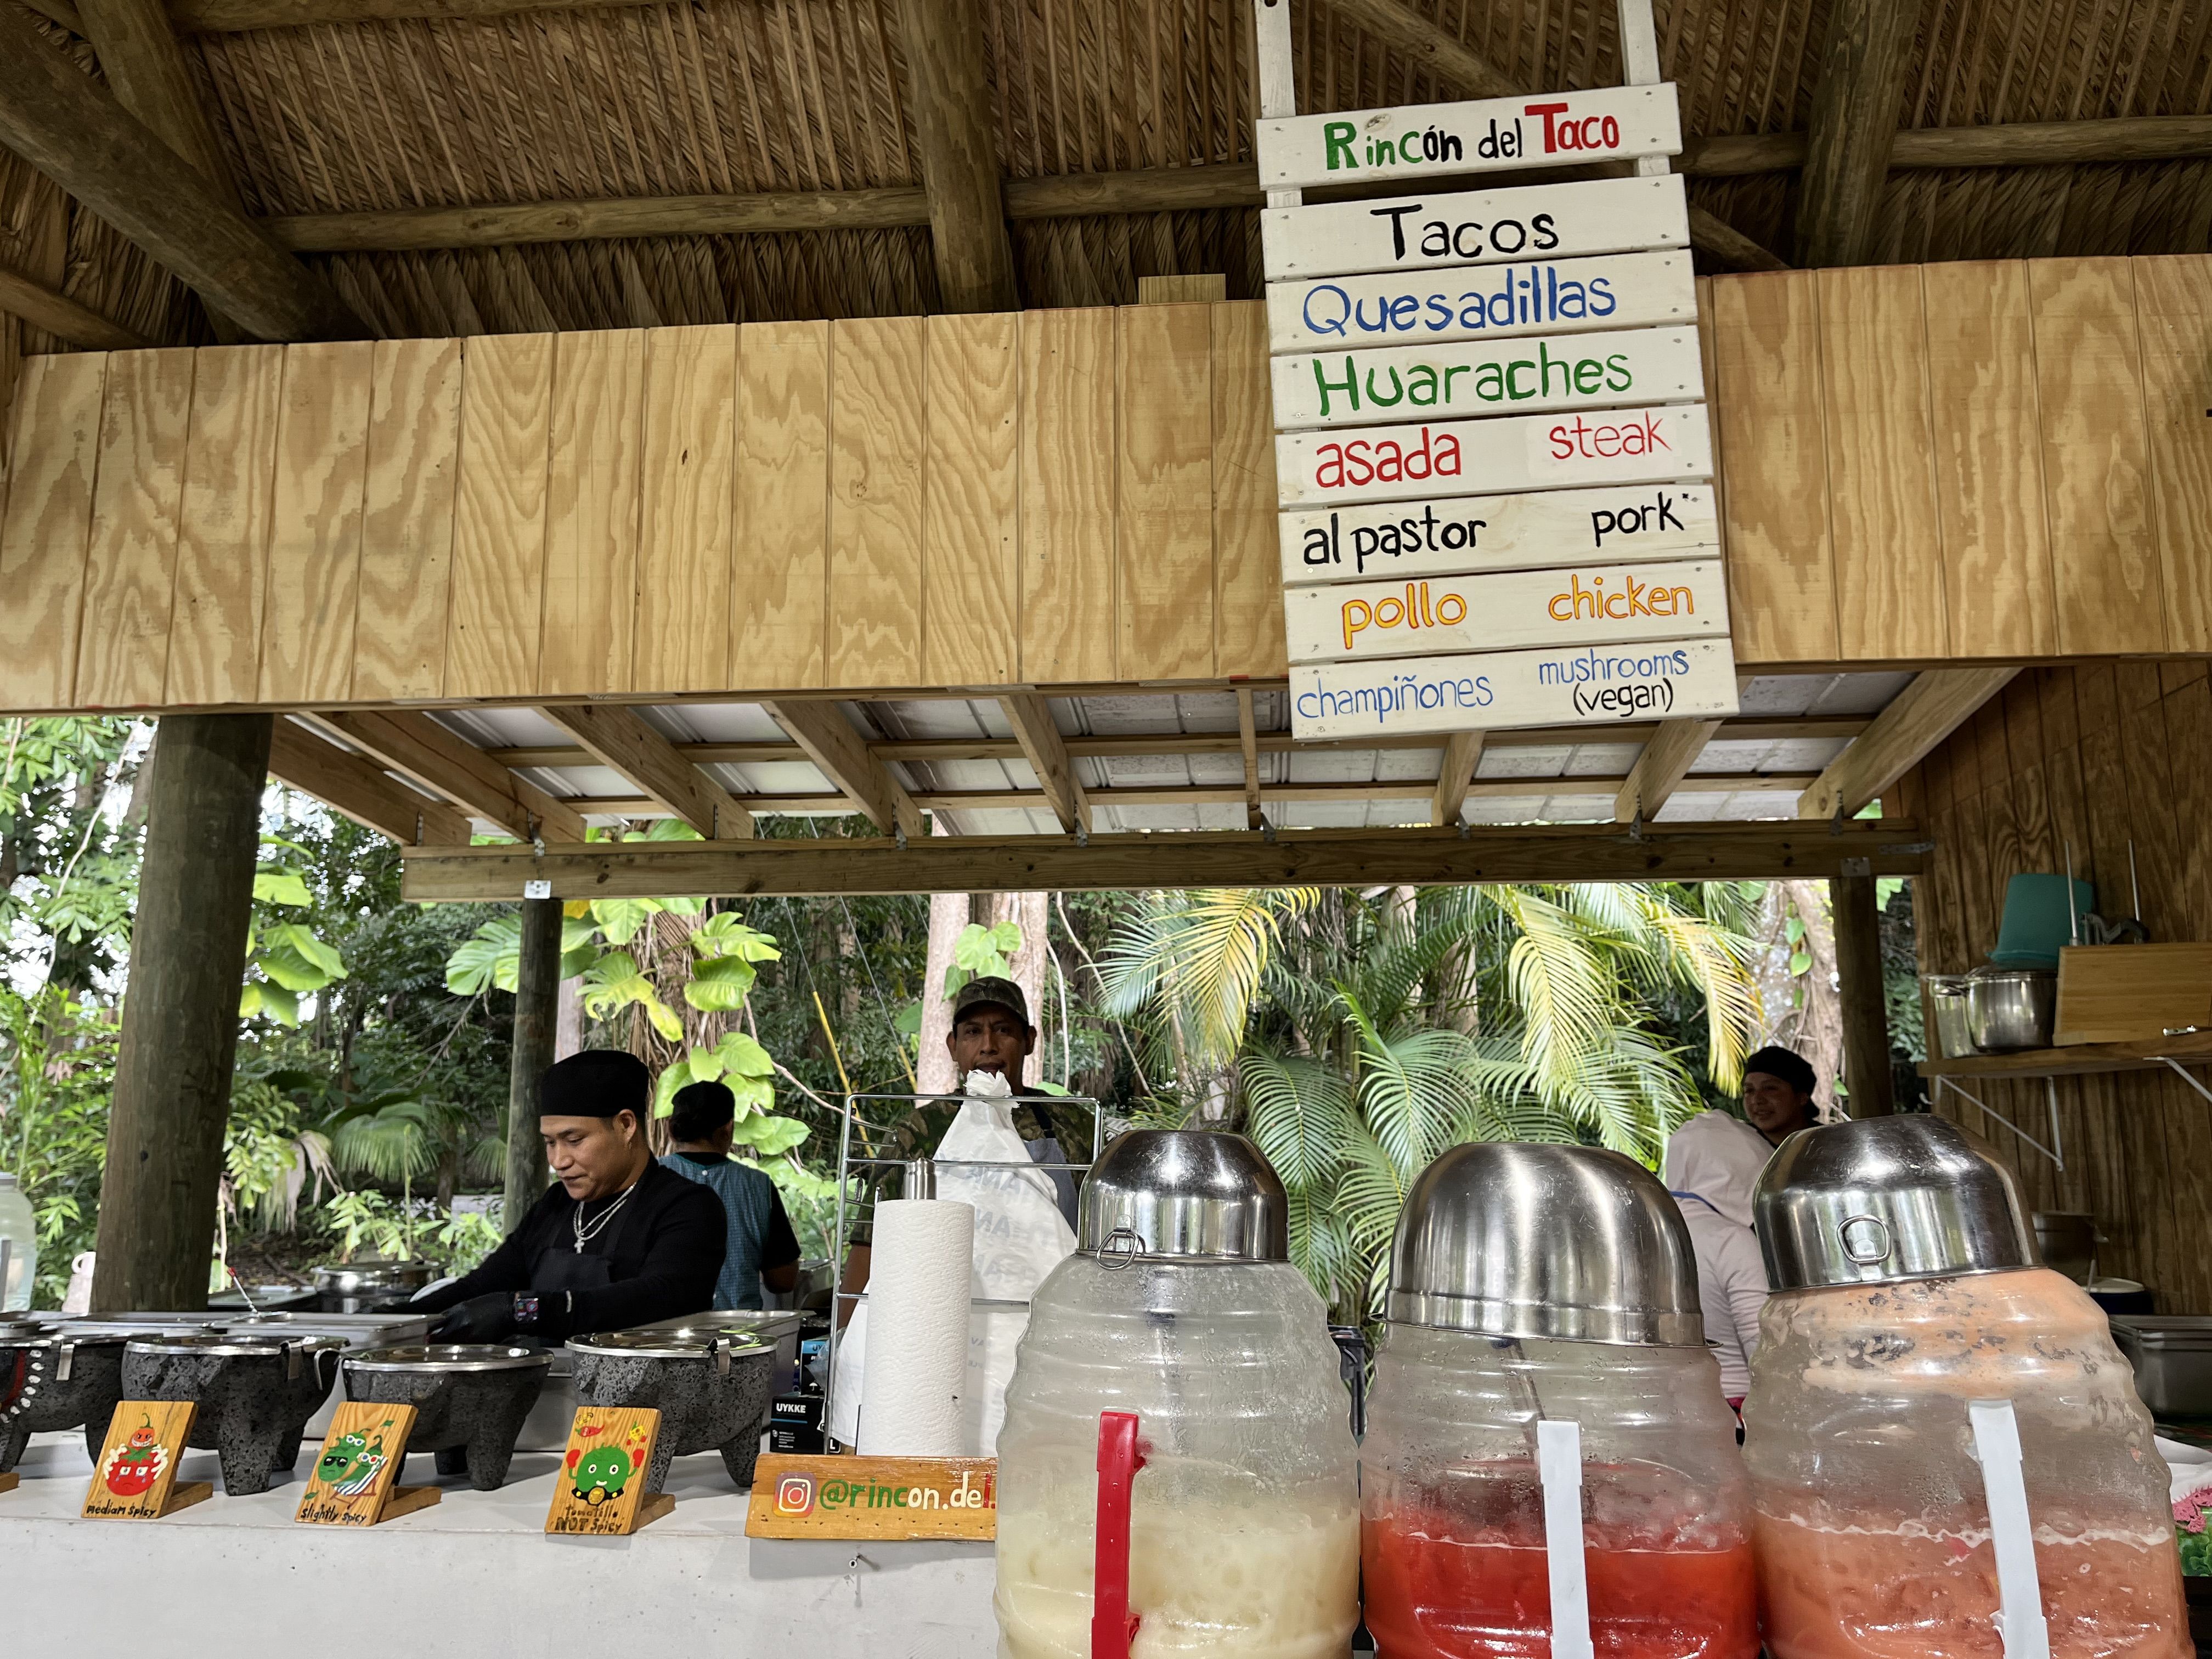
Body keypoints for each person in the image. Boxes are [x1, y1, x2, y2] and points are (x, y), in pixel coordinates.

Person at [415, 1049, 724, 1344]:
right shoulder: (557, 1205)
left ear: (626, 1125)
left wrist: (522, 1310)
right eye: (550, 1142)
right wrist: (395, 1318)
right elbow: (483, 1284)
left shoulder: (688, 1207)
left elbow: (657, 1296)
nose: (558, 1160)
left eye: (573, 1140)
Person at [837, 975, 1082, 1321]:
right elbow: (871, 1241)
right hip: (938, 1320)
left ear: (1029, 1041)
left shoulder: (1075, 1125)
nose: (988, 1046)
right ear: (953, 1045)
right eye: (972, 1032)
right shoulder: (918, 1133)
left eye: (1003, 1030)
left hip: (1052, 1318)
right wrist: (844, 1338)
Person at [658, 1079, 802, 1311]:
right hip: (740, 1340)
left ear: (671, 1129)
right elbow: (783, 1280)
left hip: (662, 1338)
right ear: (728, 1130)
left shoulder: (650, 1180)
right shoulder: (758, 1187)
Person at [1664, 1110, 1773, 1414]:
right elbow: (1762, 1343)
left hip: (1664, 1411)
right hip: (1733, 1413)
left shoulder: (1641, 1231)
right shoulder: (1731, 1239)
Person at [1741, 1043, 1822, 1147]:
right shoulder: (1738, 1146)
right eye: (1749, 1090)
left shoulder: (1830, 1145)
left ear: (1802, 1097)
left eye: (1770, 1088)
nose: (1757, 1100)